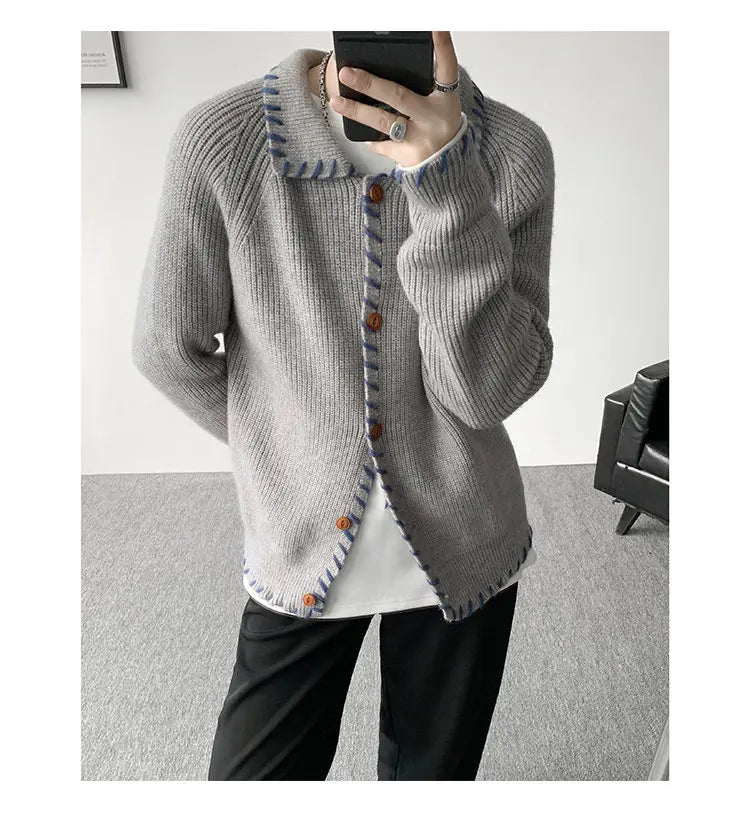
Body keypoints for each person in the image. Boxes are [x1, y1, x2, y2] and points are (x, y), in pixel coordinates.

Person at [132, 31, 555, 780]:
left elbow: (485, 393)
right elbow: (168, 347)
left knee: (433, 780)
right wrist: (284, 448)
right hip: (299, 538)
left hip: (467, 536)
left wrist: (444, 182)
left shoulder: (512, 153)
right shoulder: (224, 142)